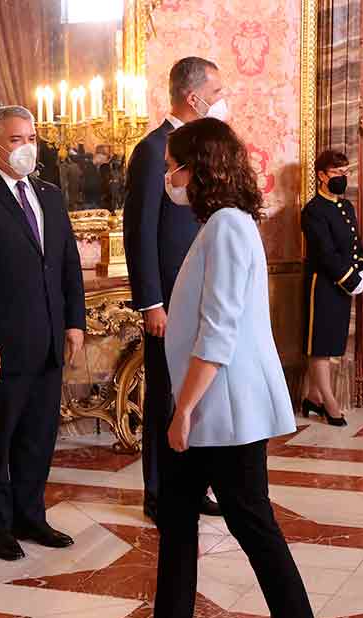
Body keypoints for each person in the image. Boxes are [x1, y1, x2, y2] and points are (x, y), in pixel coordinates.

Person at [114, 118, 315, 618]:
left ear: (198, 169)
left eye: (175, 166)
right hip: (202, 402)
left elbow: (219, 330)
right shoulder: (219, 223)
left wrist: (182, 411)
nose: (169, 177)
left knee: (252, 520)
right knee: (176, 523)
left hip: (222, 409)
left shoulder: (228, 226)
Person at [0, 105, 87, 562]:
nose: (27, 147)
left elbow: (66, 264)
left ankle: (31, 516)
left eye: (31, 138)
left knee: (38, 436)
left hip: (48, 341)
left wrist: (74, 321)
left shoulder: (50, 194)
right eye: (15, 140)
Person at [123, 56, 225, 522]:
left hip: (200, 295)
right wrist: (151, 302)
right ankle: (159, 494)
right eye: (216, 92)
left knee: (196, 394)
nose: (220, 101)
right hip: (165, 300)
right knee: (164, 397)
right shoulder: (151, 150)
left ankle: (192, 485)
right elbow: (139, 231)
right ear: (192, 96)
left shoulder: (201, 148)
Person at [300, 150, 363, 426]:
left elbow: (355, 245)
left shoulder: (346, 207)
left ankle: (313, 397)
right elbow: (326, 253)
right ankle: (329, 403)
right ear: (322, 176)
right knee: (321, 346)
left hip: (343, 286)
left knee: (333, 344)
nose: (343, 178)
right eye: (337, 173)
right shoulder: (313, 210)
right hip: (323, 285)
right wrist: (351, 279)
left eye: (345, 172)